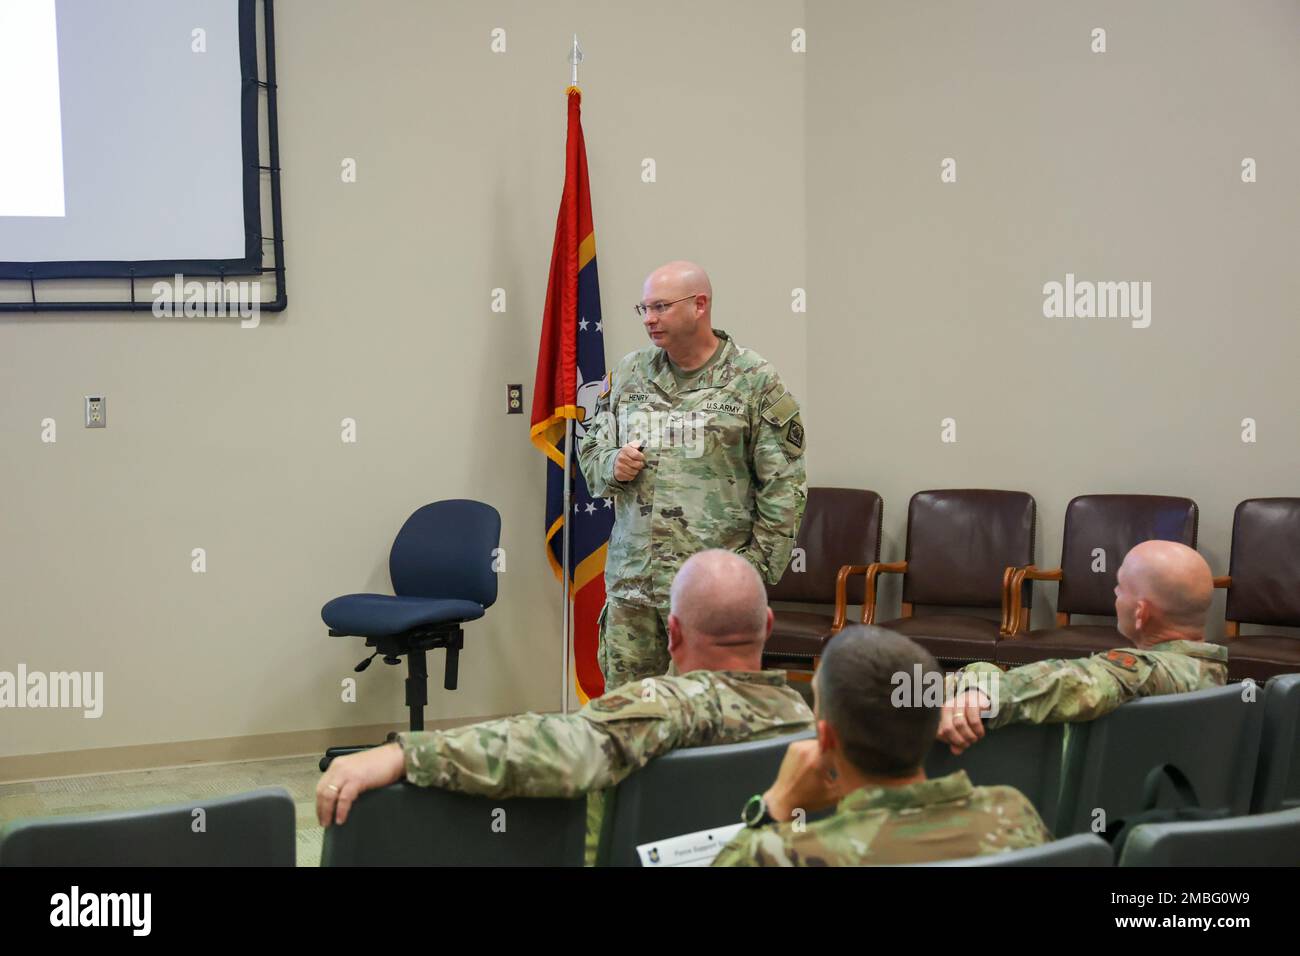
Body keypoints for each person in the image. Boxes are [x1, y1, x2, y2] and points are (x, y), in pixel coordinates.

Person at [316, 550, 812, 839]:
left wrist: (404, 754)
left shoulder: (662, 710)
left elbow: (553, 749)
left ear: (672, 633)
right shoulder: (807, 716)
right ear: (767, 626)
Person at [577, 260, 807, 688]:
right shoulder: (628, 375)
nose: (649, 319)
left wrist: (750, 573)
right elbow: (590, 451)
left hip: (710, 597)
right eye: (643, 308)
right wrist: (613, 464)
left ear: (699, 305)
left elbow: (784, 490)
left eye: (660, 307)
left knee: (709, 719)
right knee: (627, 723)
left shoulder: (753, 381)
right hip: (634, 591)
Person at [712, 626, 1050, 866]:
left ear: (826, 738)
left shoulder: (783, 853)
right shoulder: (1014, 814)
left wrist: (776, 804)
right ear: (934, 721)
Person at [938, 540, 1229, 755]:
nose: (1115, 595)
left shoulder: (1146, 671)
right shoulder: (1214, 675)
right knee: (982, 673)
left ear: (1141, 613)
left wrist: (984, 695)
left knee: (978, 697)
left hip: (1061, 799)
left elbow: (1076, 681)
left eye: (1120, 587)